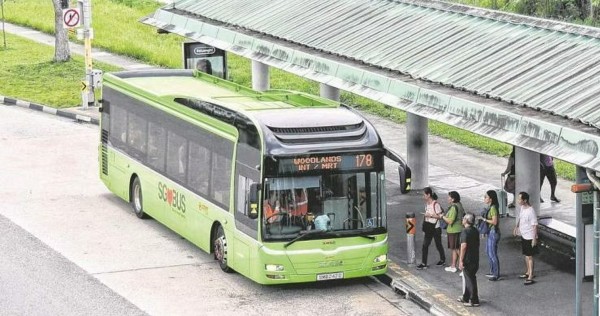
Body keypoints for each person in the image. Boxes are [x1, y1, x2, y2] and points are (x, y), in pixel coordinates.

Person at [417, 187, 446, 270]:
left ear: (429, 195)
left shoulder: (435, 204)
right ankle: (424, 263)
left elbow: (440, 216)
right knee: (425, 245)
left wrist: (430, 215)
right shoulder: (427, 204)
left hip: (435, 227)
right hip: (428, 227)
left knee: (438, 244)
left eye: (424, 195)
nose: (423, 196)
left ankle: (442, 259)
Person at [513, 191, 538, 285]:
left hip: (529, 236)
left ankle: (531, 275)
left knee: (529, 256)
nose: (518, 201)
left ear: (525, 200)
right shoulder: (523, 207)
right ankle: (528, 272)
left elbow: (535, 225)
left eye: (520, 199)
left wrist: (534, 238)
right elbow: (520, 218)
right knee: (526, 255)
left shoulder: (531, 211)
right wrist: (517, 227)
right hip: (524, 234)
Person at [458, 213, 480, 307]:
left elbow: (463, 246)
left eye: (463, 218)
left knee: (469, 279)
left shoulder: (465, 231)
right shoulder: (475, 230)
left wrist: (461, 260)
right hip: (475, 257)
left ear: (466, 220)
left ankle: (474, 300)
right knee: (470, 277)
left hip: (468, 258)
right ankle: (465, 297)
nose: (462, 220)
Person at [478, 190, 501, 281]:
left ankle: (496, 274)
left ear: (491, 199)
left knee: (492, 253)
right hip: (490, 232)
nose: (484, 198)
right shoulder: (491, 207)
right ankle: (492, 271)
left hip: (493, 232)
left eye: (486, 197)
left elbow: (494, 222)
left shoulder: (493, 208)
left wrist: (484, 219)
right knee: (488, 252)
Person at [442, 191, 464, 273]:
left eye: (449, 197)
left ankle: (463, 267)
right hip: (458, 229)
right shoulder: (459, 205)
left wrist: (442, 217)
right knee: (454, 248)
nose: (448, 199)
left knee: (457, 249)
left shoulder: (454, 207)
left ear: (453, 199)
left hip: (453, 230)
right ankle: (453, 265)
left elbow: (450, 221)